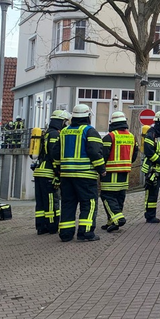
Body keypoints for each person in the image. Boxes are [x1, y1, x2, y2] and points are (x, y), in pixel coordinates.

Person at [51, 104, 106, 242]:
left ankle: (66, 234)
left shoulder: (63, 132)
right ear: (87, 116)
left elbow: (55, 153)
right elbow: (95, 152)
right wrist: (102, 169)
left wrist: (58, 169)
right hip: (85, 175)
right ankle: (86, 233)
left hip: (66, 176)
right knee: (89, 203)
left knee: (68, 204)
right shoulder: (90, 131)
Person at [99, 111, 138, 233]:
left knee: (107, 196)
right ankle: (112, 221)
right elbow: (134, 155)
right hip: (124, 173)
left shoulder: (109, 137)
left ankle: (118, 218)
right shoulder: (131, 136)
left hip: (110, 173)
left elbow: (103, 155)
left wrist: (100, 168)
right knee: (119, 197)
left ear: (112, 123)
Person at [33, 110, 69, 235]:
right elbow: (54, 155)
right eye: (65, 122)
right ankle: (52, 226)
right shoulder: (55, 135)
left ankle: (40, 226)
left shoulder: (46, 133)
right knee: (51, 200)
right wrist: (58, 173)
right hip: (48, 173)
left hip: (39, 171)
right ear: (61, 121)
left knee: (41, 202)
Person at [142, 111, 160, 223]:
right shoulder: (151, 133)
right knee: (152, 194)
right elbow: (149, 152)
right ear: (159, 122)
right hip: (153, 169)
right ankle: (150, 216)